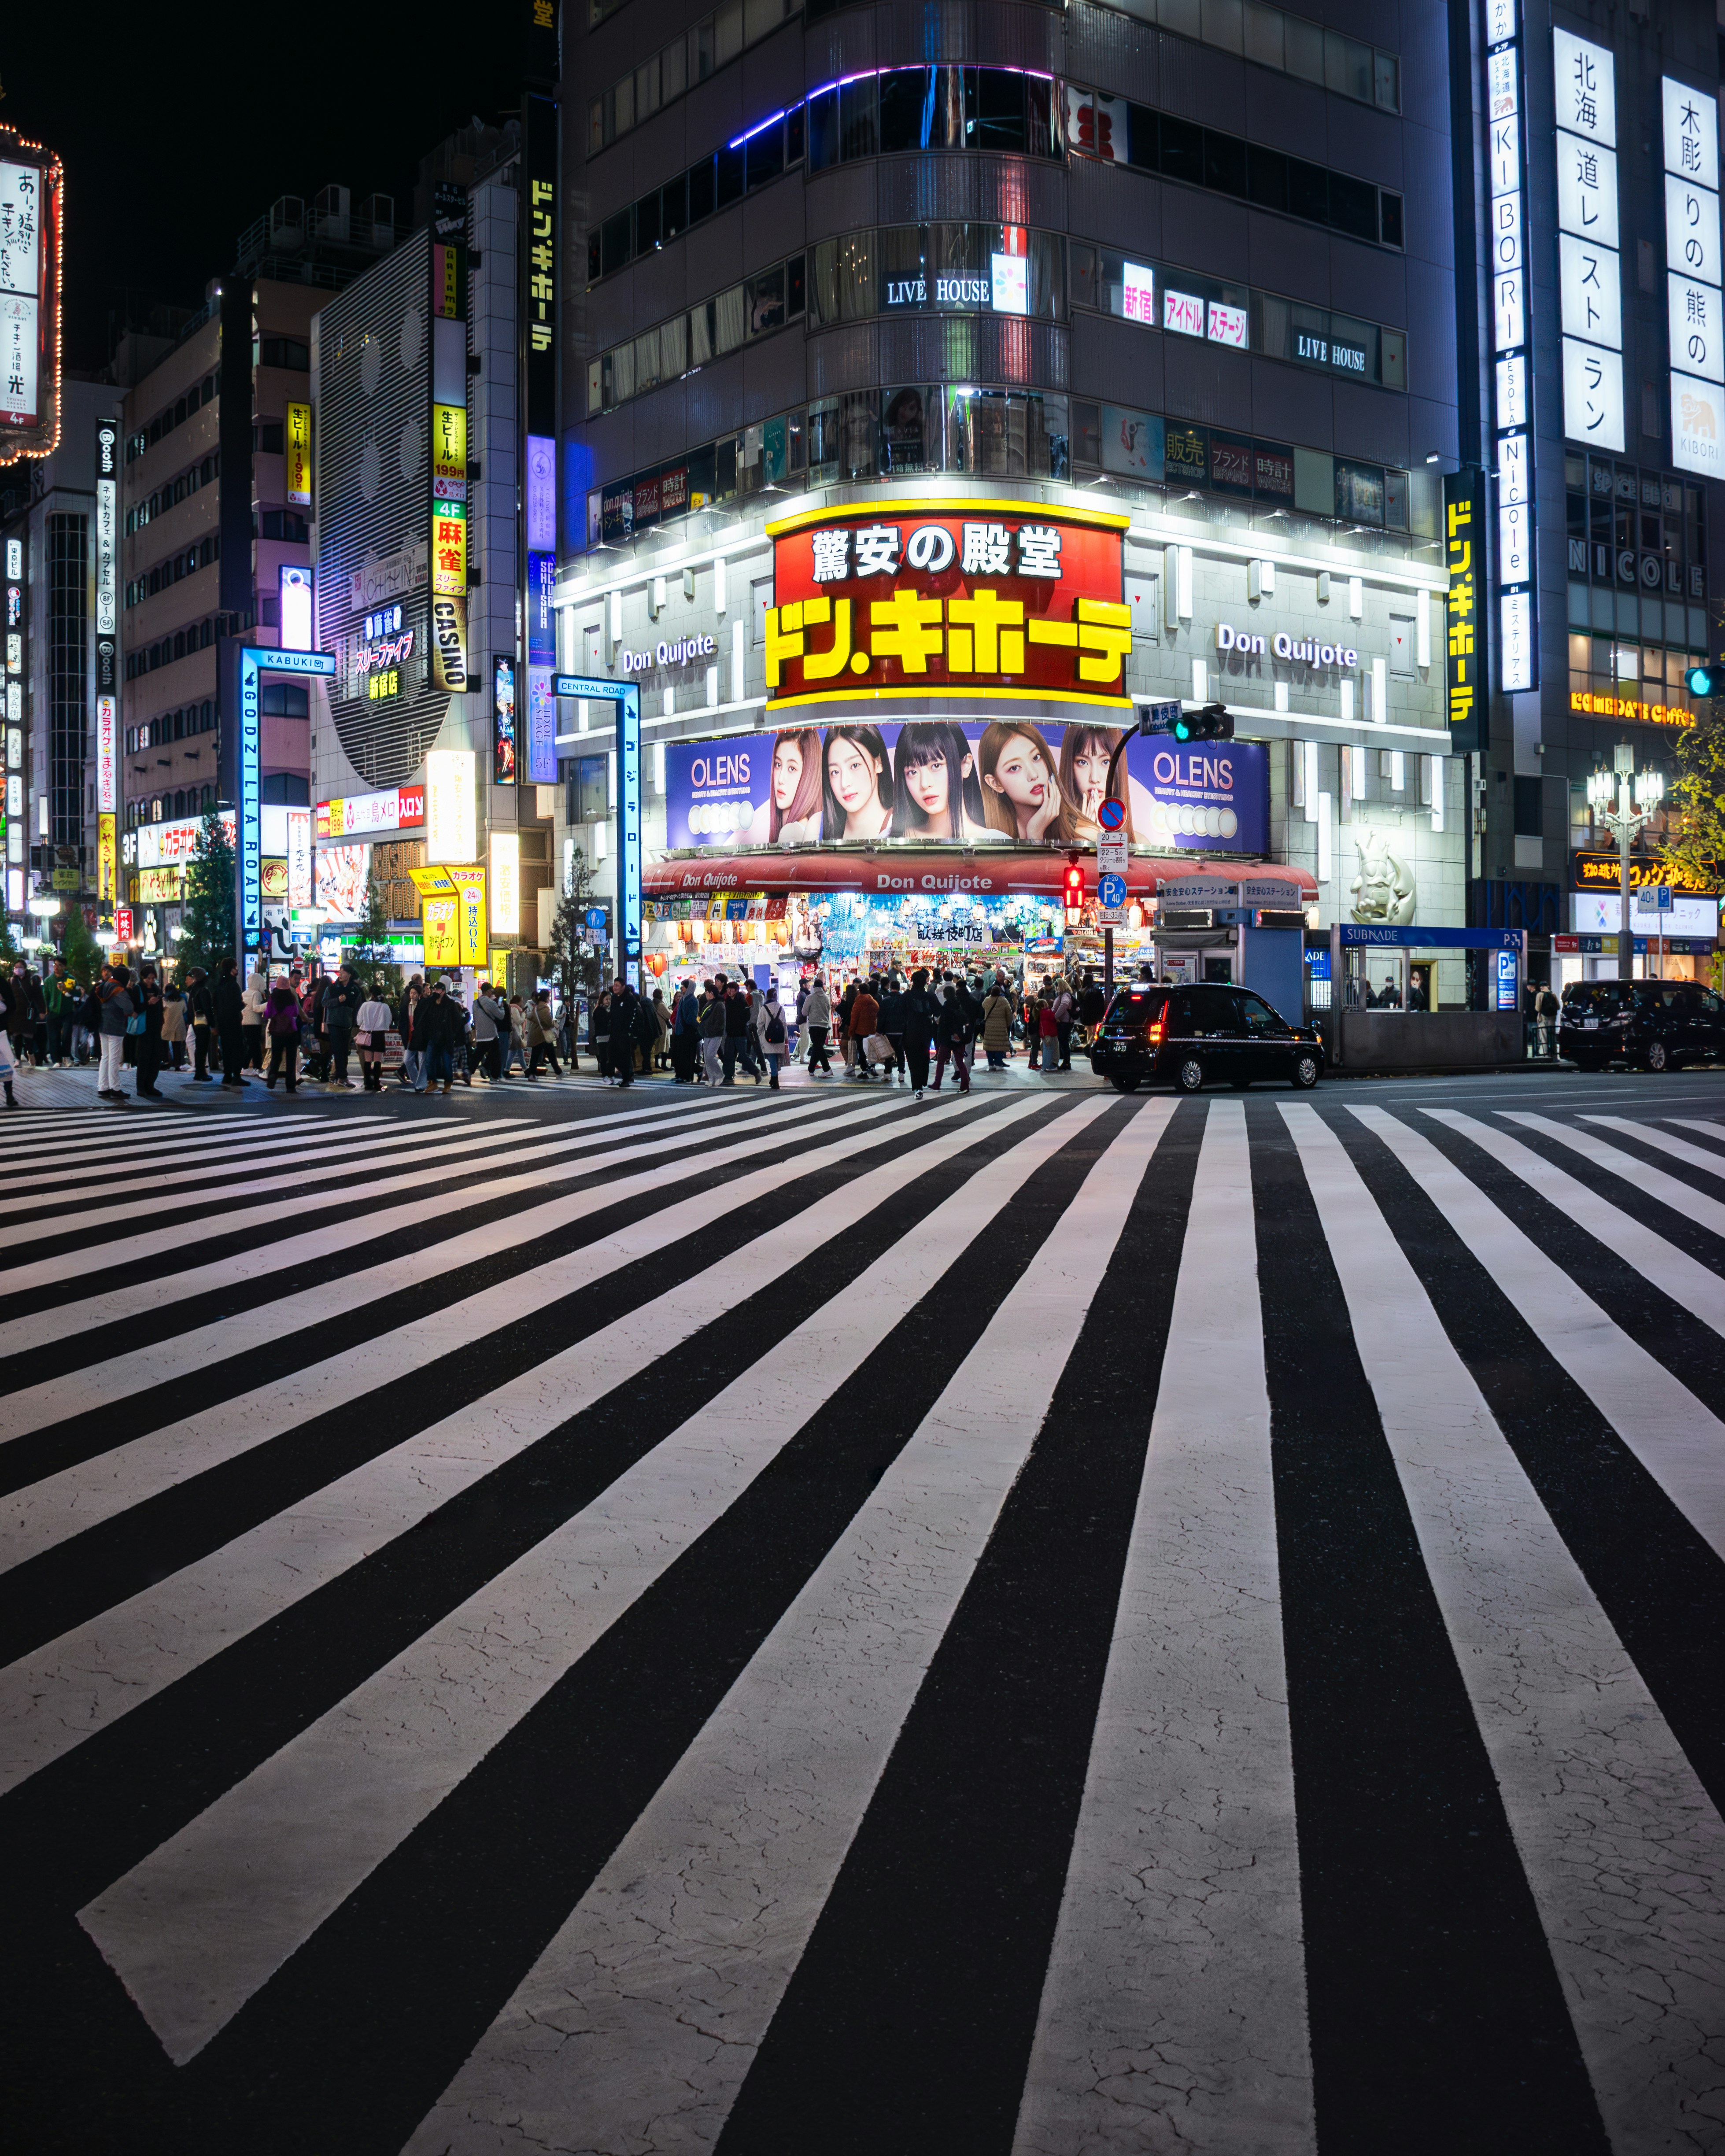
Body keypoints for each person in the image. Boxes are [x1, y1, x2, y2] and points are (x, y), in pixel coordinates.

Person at [977, 720, 1072, 843]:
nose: (1033, 775)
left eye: (1036, 758)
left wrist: (1035, 834)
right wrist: (1035, 834)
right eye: (1015, 768)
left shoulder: (1082, 835)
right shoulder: (986, 837)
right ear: (996, 783)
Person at [820, 723, 895, 842]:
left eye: (855, 766)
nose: (844, 783)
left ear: (878, 763)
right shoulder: (817, 828)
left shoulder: (901, 828)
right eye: (835, 772)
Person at [96, 963, 135, 1102]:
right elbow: (129, 1007)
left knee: (105, 1057)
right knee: (114, 1059)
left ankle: (103, 1087)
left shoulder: (105, 986)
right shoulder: (118, 990)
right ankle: (115, 1088)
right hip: (115, 1027)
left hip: (103, 1025)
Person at [932, 972, 975, 1093]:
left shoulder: (946, 1006)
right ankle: (965, 1085)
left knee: (941, 1061)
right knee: (960, 1062)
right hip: (958, 1038)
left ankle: (937, 1083)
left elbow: (945, 1024)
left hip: (947, 1038)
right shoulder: (959, 1004)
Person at [901, 967, 938, 1098]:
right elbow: (938, 1012)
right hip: (926, 1030)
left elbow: (900, 1014)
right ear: (925, 982)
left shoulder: (906, 996)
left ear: (912, 981)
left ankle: (917, 1085)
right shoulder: (929, 996)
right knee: (924, 1058)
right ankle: (921, 1084)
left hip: (910, 1031)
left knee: (912, 1060)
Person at [133, 965, 166, 1098]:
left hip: (156, 1027)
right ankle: (141, 1086)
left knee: (156, 1058)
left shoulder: (156, 989)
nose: (151, 981)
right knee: (144, 1057)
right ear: (144, 977)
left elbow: (160, 1007)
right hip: (144, 1028)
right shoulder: (138, 988)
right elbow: (136, 1009)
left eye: (153, 979)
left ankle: (150, 1085)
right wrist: (148, 1003)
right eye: (149, 979)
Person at [264, 980, 303, 1091]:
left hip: (277, 1032)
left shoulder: (273, 998)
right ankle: (291, 1087)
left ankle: (272, 1076)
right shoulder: (291, 997)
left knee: (276, 1057)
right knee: (291, 1060)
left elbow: (268, 1014)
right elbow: (296, 1013)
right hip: (291, 1031)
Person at [355, 981, 394, 1090]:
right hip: (379, 1035)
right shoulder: (385, 1006)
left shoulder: (365, 1005)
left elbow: (359, 1021)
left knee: (368, 1060)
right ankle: (377, 1083)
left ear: (371, 994)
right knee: (378, 1060)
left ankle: (367, 1082)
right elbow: (389, 1021)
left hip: (368, 1035)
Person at [213, 958, 245, 1089]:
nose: (237, 970)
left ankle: (227, 1076)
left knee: (226, 1049)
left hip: (223, 1022)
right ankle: (237, 1076)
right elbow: (236, 1005)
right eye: (235, 967)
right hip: (233, 1022)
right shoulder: (233, 985)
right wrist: (242, 1005)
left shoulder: (220, 985)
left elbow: (216, 1004)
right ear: (231, 969)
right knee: (238, 1049)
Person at [756, 982, 790, 1089]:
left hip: (768, 1037)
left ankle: (775, 1078)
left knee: (771, 1056)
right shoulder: (781, 1008)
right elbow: (784, 1024)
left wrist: (760, 1034)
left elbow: (760, 1024)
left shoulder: (764, 1008)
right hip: (779, 1037)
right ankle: (774, 1078)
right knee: (775, 1057)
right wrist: (786, 1037)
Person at [472, 981, 507, 1081]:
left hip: (481, 1034)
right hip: (491, 1033)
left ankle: (469, 1072)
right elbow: (500, 1016)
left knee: (478, 1054)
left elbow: (475, 1019)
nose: (492, 992)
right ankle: (494, 1077)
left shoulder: (475, 1003)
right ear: (488, 991)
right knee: (496, 1055)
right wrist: (501, 1007)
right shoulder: (491, 1003)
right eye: (491, 990)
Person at [848, 975, 881, 1081]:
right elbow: (877, 1010)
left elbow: (854, 1019)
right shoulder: (873, 1002)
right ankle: (872, 1067)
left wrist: (851, 1032)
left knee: (861, 1051)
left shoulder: (858, 1003)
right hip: (872, 1029)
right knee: (871, 1050)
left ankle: (864, 1071)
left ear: (859, 991)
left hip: (860, 1031)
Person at [878, 974, 909, 1085]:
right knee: (900, 1051)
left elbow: (881, 1017)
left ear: (891, 987)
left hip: (889, 1030)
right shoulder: (904, 1000)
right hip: (902, 1030)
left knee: (888, 1052)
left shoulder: (886, 1000)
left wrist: (879, 1031)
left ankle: (888, 1073)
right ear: (900, 988)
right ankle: (902, 1074)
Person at [185, 967, 215, 1081]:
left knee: (199, 1047)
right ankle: (201, 1073)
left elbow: (190, 1009)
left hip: (196, 1023)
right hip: (203, 1023)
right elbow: (207, 1009)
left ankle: (199, 1072)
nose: (186, 981)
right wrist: (213, 1025)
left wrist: (190, 1022)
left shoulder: (194, 991)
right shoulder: (203, 990)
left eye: (188, 979)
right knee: (202, 1047)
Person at [397, 976, 426, 1089]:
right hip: (410, 1036)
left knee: (422, 1062)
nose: (412, 995)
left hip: (421, 1037)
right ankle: (416, 1081)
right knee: (408, 1060)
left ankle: (421, 1085)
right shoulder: (406, 1005)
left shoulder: (423, 1005)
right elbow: (403, 1021)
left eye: (414, 993)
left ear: (420, 995)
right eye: (411, 993)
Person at [671, 978, 701, 1082]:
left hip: (687, 1032)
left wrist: (686, 1024)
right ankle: (681, 1075)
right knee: (681, 1056)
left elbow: (691, 1018)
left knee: (687, 1056)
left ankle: (687, 1077)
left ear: (690, 988)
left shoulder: (693, 1000)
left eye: (684, 986)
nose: (682, 988)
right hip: (681, 1032)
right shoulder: (684, 999)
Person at [980, 979, 1014, 1069]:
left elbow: (983, 1006)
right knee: (1000, 1046)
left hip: (989, 1027)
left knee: (990, 1046)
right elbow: (1009, 1015)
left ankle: (991, 1064)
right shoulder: (1004, 1001)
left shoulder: (987, 1000)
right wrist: (1007, 1024)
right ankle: (999, 1064)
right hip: (1001, 1027)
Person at [529, 987, 563, 1078]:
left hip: (537, 1034)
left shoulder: (536, 1007)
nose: (550, 998)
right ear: (546, 998)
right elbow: (548, 1022)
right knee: (551, 1054)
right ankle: (559, 1072)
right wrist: (554, 1025)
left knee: (536, 1054)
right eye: (549, 996)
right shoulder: (544, 1008)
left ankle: (532, 1074)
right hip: (543, 1035)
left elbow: (531, 1017)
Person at [803, 974, 832, 1075]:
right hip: (824, 1027)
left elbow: (804, 1012)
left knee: (818, 1047)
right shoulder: (826, 998)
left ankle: (827, 1069)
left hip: (814, 1026)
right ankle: (811, 1069)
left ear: (814, 987)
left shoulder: (810, 998)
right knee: (817, 1047)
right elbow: (829, 1010)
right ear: (823, 987)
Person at [698, 980, 727, 1086]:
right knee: (706, 1058)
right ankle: (711, 1078)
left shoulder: (719, 1005)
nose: (706, 994)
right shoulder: (708, 1004)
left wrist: (712, 1029)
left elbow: (721, 1022)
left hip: (716, 1035)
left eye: (707, 993)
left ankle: (720, 1075)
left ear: (712, 994)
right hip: (707, 1035)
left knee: (710, 1056)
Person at [722, 977, 750, 1085]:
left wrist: (740, 1024)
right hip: (730, 1033)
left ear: (737, 991)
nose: (730, 991)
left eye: (732, 989)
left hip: (740, 1033)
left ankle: (755, 1071)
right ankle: (728, 1076)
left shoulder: (742, 1001)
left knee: (742, 1055)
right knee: (729, 1056)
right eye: (729, 989)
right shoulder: (727, 1001)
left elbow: (747, 1016)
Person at [240, 965, 268, 1070]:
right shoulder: (256, 994)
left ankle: (257, 1066)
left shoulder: (244, 993)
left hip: (245, 1022)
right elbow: (256, 1008)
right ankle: (246, 1065)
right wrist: (268, 1005)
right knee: (255, 1045)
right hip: (255, 1023)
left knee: (252, 1045)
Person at [1048, 976, 1075, 1070]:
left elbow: (1064, 1005)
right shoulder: (1064, 995)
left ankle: (1067, 1063)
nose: (1055, 989)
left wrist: (1055, 1016)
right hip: (1065, 1022)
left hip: (1065, 1023)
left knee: (1064, 1042)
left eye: (1056, 987)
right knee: (1063, 1042)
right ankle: (1066, 1062)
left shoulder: (1065, 996)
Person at [160, 978, 188, 1070]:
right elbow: (185, 1010)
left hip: (167, 1025)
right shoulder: (181, 1000)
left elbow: (161, 1011)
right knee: (177, 1047)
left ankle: (166, 1062)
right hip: (179, 1026)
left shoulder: (164, 1001)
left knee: (164, 1045)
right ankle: (177, 1064)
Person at [589, 986, 612, 1081]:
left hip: (610, 1036)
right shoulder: (599, 1010)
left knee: (610, 1055)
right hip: (602, 1036)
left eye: (610, 999)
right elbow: (601, 1022)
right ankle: (605, 1073)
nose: (608, 1001)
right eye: (606, 999)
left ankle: (610, 1073)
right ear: (602, 1000)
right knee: (604, 1055)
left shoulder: (610, 1009)